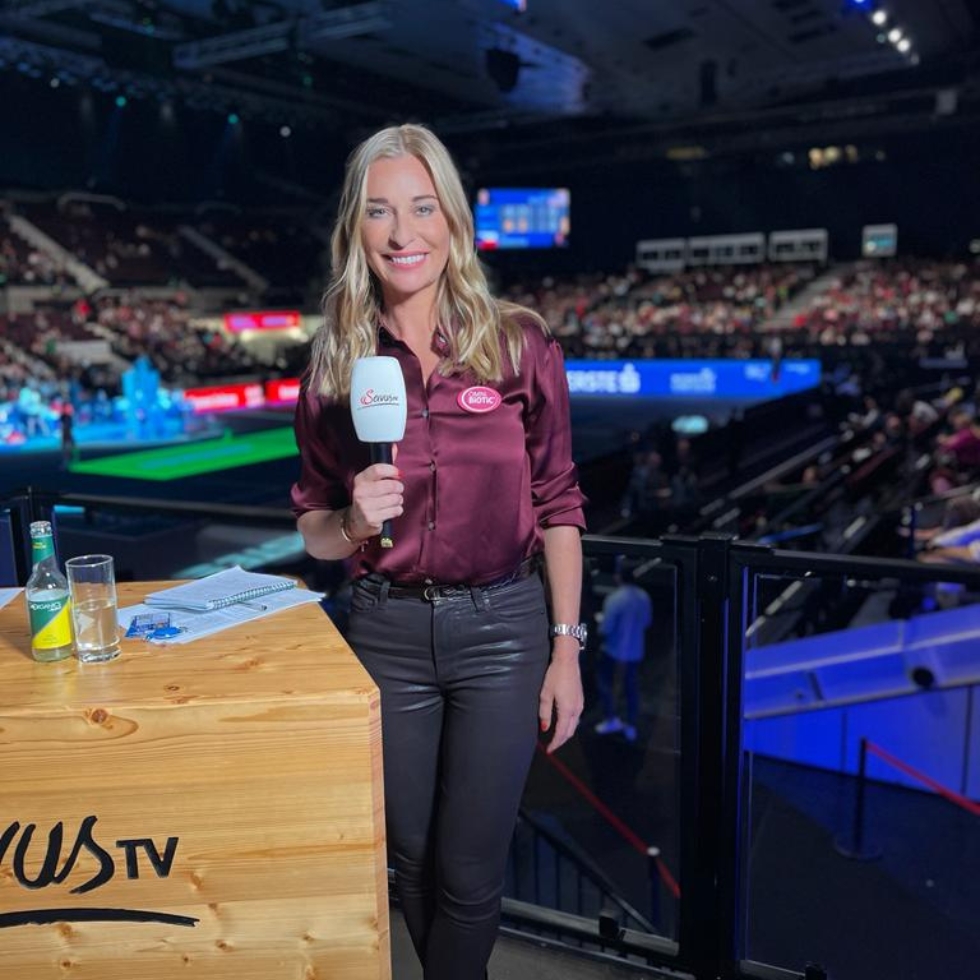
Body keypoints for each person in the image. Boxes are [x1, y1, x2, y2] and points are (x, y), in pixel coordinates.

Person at [290, 123, 586, 980]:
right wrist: (349, 522)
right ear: (357, 231)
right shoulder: (334, 366)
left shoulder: (520, 341)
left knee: (468, 869)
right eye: (379, 212)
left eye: (422, 208)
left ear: (452, 222)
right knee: (411, 858)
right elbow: (311, 524)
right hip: (384, 632)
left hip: (504, 630)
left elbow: (560, 503)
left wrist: (566, 651)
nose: (401, 232)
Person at [594, 559, 652, 742]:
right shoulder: (644, 596)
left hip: (613, 650)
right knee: (631, 688)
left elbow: (605, 629)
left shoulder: (614, 599)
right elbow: (646, 622)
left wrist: (599, 621)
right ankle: (631, 725)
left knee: (605, 684)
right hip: (635, 651)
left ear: (618, 576)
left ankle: (611, 718)